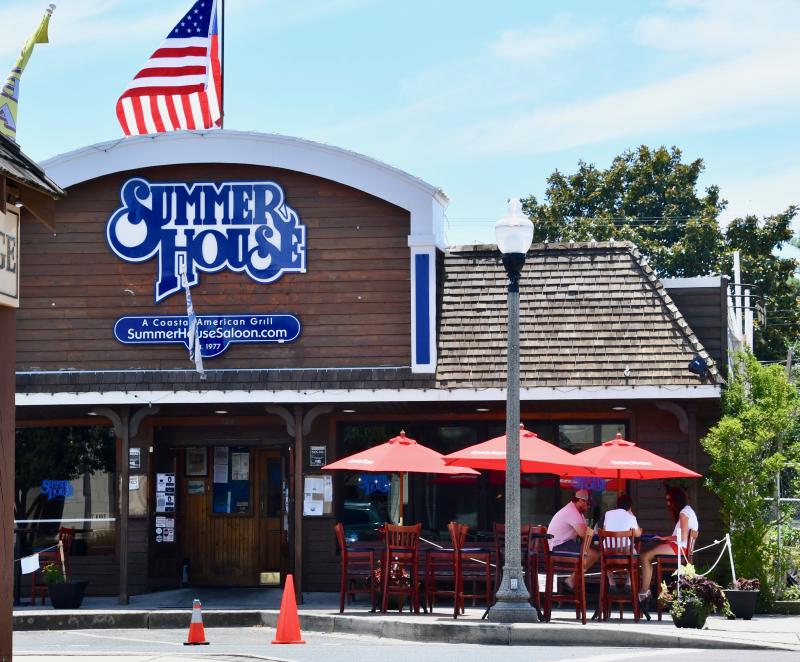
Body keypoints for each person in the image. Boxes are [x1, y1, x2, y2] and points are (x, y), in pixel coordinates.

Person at [638, 486, 699, 602]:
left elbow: (683, 537)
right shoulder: (689, 511)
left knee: (644, 556)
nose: (668, 503)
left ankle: (644, 591)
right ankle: (646, 590)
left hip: (679, 549)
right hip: (682, 549)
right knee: (648, 555)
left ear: (676, 500)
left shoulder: (684, 513)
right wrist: (664, 540)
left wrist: (663, 538)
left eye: (669, 500)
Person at [546, 489, 600, 590]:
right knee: (593, 554)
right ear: (581, 501)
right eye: (587, 504)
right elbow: (584, 534)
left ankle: (573, 579)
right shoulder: (572, 511)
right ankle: (573, 579)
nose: (588, 507)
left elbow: (585, 533)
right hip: (558, 547)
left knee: (592, 553)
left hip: (562, 544)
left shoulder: (576, 512)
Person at [601, 493, 641, 590]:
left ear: (617, 504)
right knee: (634, 554)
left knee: (606, 557)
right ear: (630, 506)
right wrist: (631, 514)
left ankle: (611, 582)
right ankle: (628, 582)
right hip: (625, 553)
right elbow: (638, 534)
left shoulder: (608, 514)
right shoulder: (630, 517)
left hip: (608, 553)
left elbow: (604, 529)